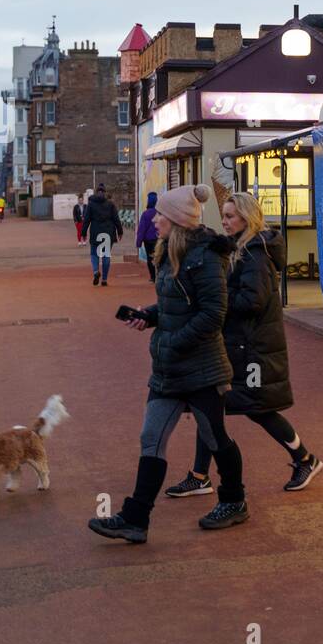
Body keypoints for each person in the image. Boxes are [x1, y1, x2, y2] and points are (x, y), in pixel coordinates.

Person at [88, 183, 248, 543]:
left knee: (215, 437)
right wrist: (149, 316)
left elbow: (213, 314)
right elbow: (176, 306)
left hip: (202, 368)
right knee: (151, 438)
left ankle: (234, 500)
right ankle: (135, 519)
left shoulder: (206, 257)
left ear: (177, 221)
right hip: (169, 367)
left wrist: (173, 341)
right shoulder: (169, 253)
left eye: (161, 214)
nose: (154, 219)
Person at [166, 192, 321, 496]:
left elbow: (252, 301)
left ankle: (305, 459)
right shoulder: (240, 248)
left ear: (247, 218)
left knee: (257, 407)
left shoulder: (255, 254)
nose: (224, 222)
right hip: (238, 345)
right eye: (223, 216)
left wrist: (216, 300)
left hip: (253, 349)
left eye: (230, 216)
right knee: (211, 407)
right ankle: (199, 475)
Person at [81, 184, 123, 286]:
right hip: (108, 233)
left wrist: (83, 233)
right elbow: (116, 219)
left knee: (94, 254)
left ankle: (96, 271)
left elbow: (86, 220)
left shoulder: (91, 204)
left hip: (95, 232)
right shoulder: (110, 204)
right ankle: (104, 279)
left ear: (96, 192)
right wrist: (120, 231)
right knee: (106, 255)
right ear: (105, 192)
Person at [134, 191, 159, 282]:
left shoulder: (145, 214)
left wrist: (139, 242)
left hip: (148, 240)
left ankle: (153, 277)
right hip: (159, 239)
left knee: (150, 258)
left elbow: (142, 229)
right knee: (160, 257)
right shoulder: (160, 213)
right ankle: (160, 275)